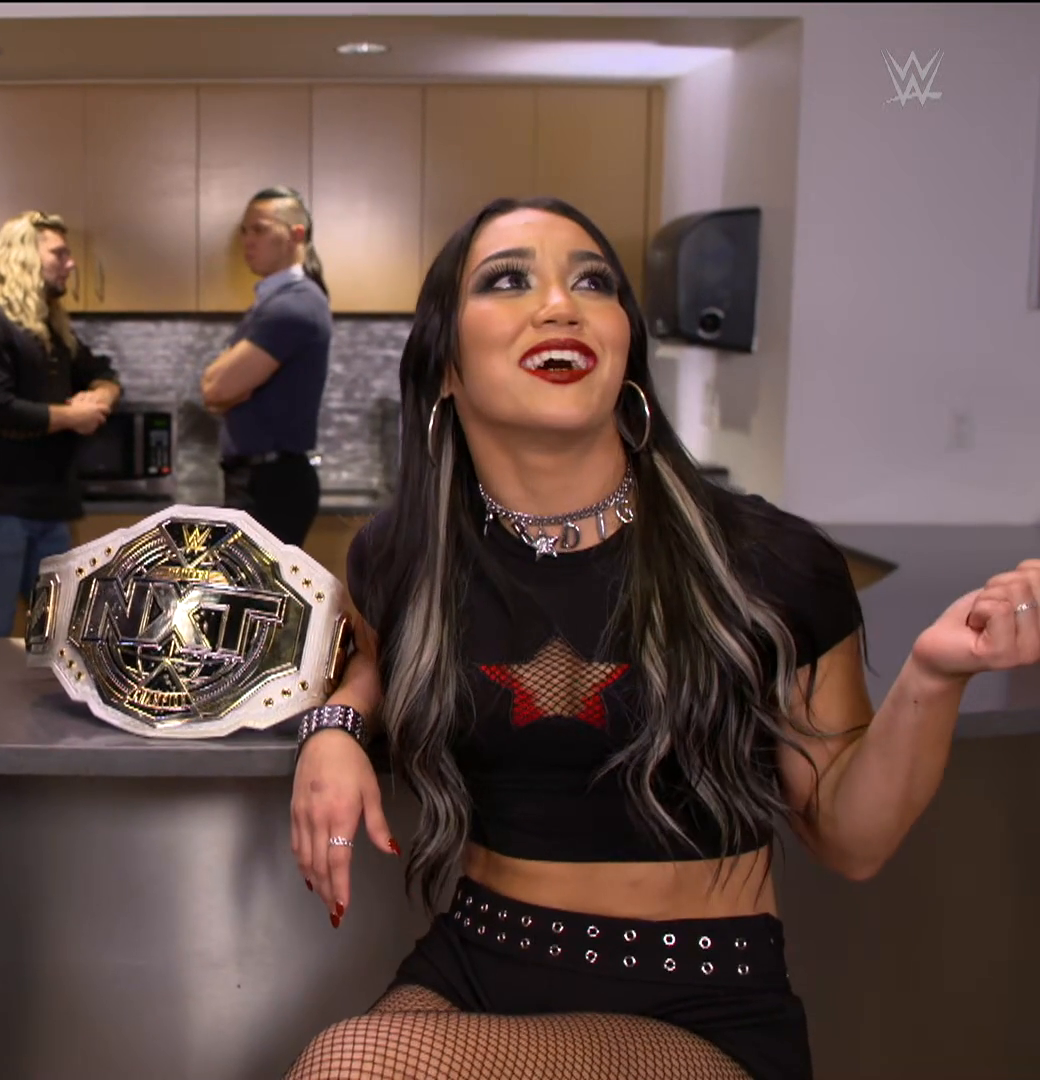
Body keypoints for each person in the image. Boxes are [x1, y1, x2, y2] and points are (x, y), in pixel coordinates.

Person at [282, 196, 1039, 1080]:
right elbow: (374, 663)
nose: (560, 304)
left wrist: (934, 675)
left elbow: (851, 837)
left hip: (698, 1000)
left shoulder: (767, 560)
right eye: (509, 280)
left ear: (624, 347)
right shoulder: (403, 555)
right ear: (445, 363)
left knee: (352, 1066)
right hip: (474, 965)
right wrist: (332, 731)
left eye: (592, 282)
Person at [0, 210, 121, 638]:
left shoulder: (50, 329)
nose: (71, 263)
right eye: (59, 253)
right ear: (23, 256)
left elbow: (103, 372)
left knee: (58, 632)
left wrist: (100, 397)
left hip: (50, 504)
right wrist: (73, 416)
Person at [199, 185, 334, 547]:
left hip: (271, 484)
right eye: (245, 230)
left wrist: (229, 387)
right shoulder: (275, 302)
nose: (248, 240)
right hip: (262, 479)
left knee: (254, 585)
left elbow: (215, 388)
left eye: (259, 229)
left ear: (296, 235)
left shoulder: (292, 306)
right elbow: (219, 389)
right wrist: (230, 387)